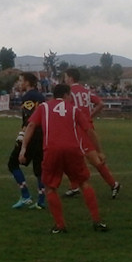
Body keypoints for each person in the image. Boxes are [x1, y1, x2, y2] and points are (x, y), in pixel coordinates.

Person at [19, 83, 108, 233]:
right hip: (73, 149)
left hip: (52, 150)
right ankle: (97, 221)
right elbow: (89, 130)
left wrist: (23, 148)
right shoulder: (74, 109)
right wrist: (99, 151)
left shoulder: (44, 107)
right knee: (84, 182)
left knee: (50, 187)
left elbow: (31, 125)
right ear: (66, 95)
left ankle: (60, 226)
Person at [63, 68, 121, 199]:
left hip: (80, 129)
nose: (64, 79)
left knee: (93, 159)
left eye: (65, 77)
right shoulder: (85, 91)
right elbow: (100, 103)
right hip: (82, 126)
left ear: (70, 78)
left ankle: (113, 184)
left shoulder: (69, 92)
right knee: (70, 157)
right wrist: (90, 115)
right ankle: (74, 186)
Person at [10, 73, 46, 209]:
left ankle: (25, 195)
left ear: (27, 82)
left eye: (20, 80)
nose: (19, 83)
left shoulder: (28, 97)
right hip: (42, 135)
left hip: (31, 135)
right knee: (39, 168)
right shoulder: (41, 97)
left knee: (12, 163)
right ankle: (41, 201)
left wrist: (22, 137)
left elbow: (30, 120)